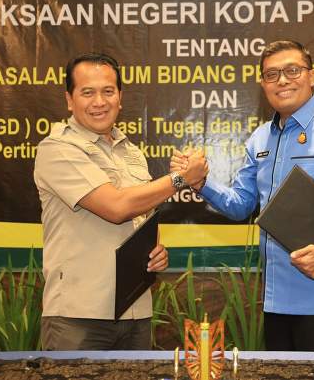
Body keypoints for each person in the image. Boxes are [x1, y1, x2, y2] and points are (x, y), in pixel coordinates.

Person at [171, 40, 314, 352]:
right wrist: (201, 182)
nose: (282, 80)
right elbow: (241, 206)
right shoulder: (259, 139)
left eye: (292, 71)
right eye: (271, 74)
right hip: (275, 304)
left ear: (312, 76)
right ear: (263, 84)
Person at [34, 53, 208, 350]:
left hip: (136, 310)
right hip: (79, 315)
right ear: (69, 100)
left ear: (120, 97)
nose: (99, 102)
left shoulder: (132, 153)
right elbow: (117, 208)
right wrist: (180, 179)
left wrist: (156, 252)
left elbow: (142, 217)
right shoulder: (57, 149)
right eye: (87, 92)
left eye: (108, 91)